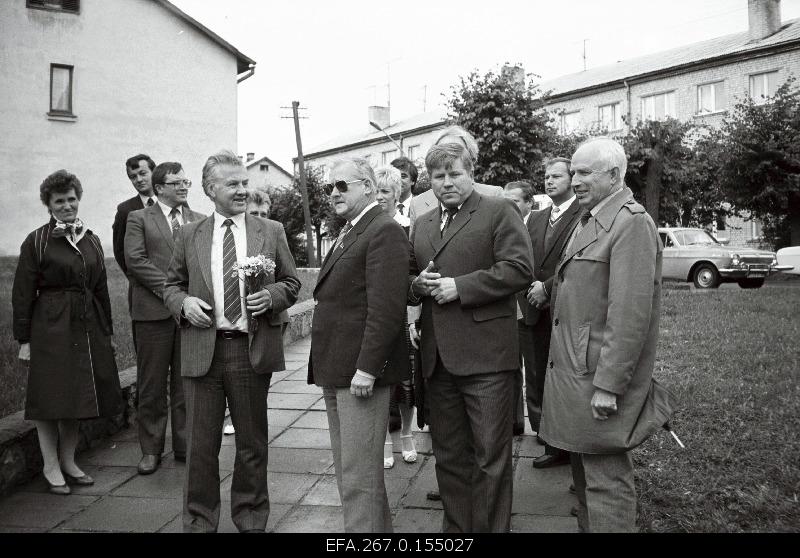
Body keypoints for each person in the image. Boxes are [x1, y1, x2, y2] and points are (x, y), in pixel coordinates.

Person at [539, 137, 673, 532]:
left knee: (606, 481)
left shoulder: (630, 222)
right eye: (573, 172)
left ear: (614, 175)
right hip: (578, 373)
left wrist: (610, 386)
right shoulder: (593, 216)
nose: (574, 180)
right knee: (585, 475)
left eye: (583, 172)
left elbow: (630, 316)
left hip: (597, 378)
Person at [163, 150, 300, 533]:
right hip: (202, 351)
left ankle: (251, 519)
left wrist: (272, 296)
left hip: (248, 350)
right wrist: (184, 302)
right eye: (233, 184)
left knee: (252, 445)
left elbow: (291, 283)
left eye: (244, 183)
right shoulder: (190, 234)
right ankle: (199, 522)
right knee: (200, 448)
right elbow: (170, 285)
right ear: (210, 189)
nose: (242, 190)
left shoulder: (269, 230)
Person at [409, 143, 533, 532]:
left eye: (454, 174)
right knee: (448, 457)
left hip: (486, 360)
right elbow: (411, 280)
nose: (446, 183)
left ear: (471, 172)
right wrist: (417, 286)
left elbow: (518, 269)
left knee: (490, 458)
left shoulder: (498, 211)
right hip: (438, 359)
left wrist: (460, 287)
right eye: (438, 177)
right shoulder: (423, 223)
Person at [309, 158, 410, 532]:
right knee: (355, 473)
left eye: (341, 185)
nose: (334, 193)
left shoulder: (383, 230)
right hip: (337, 368)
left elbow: (385, 309)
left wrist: (367, 368)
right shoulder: (353, 228)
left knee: (358, 478)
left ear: (368, 186)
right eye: (329, 187)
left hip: (360, 372)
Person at [12, 170, 123, 495]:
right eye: (59, 201)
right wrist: (25, 341)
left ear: (78, 199)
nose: (66, 206)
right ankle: (49, 465)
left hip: (87, 326)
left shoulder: (90, 239)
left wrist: (108, 334)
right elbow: (22, 292)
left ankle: (69, 460)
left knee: (75, 397)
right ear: (49, 204)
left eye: (71, 199)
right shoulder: (37, 240)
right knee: (50, 399)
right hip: (50, 327)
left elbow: (101, 289)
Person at [124, 162, 203, 474]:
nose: (183, 187)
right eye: (176, 183)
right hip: (153, 313)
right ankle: (151, 450)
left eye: (186, 182)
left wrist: (189, 300)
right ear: (159, 188)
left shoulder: (198, 220)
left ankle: (184, 445)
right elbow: (136, 261)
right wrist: (173, 293)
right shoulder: (139, 218)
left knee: (186, 383)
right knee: (152, 386)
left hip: (188, 315)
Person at [523, 159, 582, 469]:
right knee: (535, 374)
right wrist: (531, 289)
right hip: (532, 307)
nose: (549, 181)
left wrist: (546, 287)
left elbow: (576, 259)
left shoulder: (583, 213)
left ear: (571, 179)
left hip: (564, 305)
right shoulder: (536, 217)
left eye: (556, 175)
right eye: (545, 176)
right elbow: (523, 256)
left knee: (565, 375)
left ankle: (569, 442)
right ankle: (546, 439)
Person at [374, 165, 417, 469]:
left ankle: (406, 432)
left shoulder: (406, 227)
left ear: (396, 194)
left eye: (385, 191)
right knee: (378, 380)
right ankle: (385, 438)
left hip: (401, 315)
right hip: (374, 315)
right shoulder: (361, 228)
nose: (379, 197)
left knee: (406, 380)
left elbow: (412, 276)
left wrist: (414, 317)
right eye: (374, 191)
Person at [408, 125, 503, 228]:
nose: (447, 157)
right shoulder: (418, 204)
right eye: (441, 152)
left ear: (471, 161)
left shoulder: (494, 196)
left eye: (456, 152)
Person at [503, 181, 535, 437]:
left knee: (534, 368)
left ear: (528, 204)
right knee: (510, 367)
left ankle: (540, 424)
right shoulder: (499, 226)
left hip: (534, 306)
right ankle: (514, 421)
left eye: (514, 201)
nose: (508, 205)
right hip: (507, 308)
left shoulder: (537, 226)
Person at [113, 154, 157, 274]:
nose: (138, 180)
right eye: (133, 177)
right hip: (142, 283)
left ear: (154, 172)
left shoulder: (172, 201)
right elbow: (120, 251)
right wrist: (136, 279)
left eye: (143, 173)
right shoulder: (125, 210)